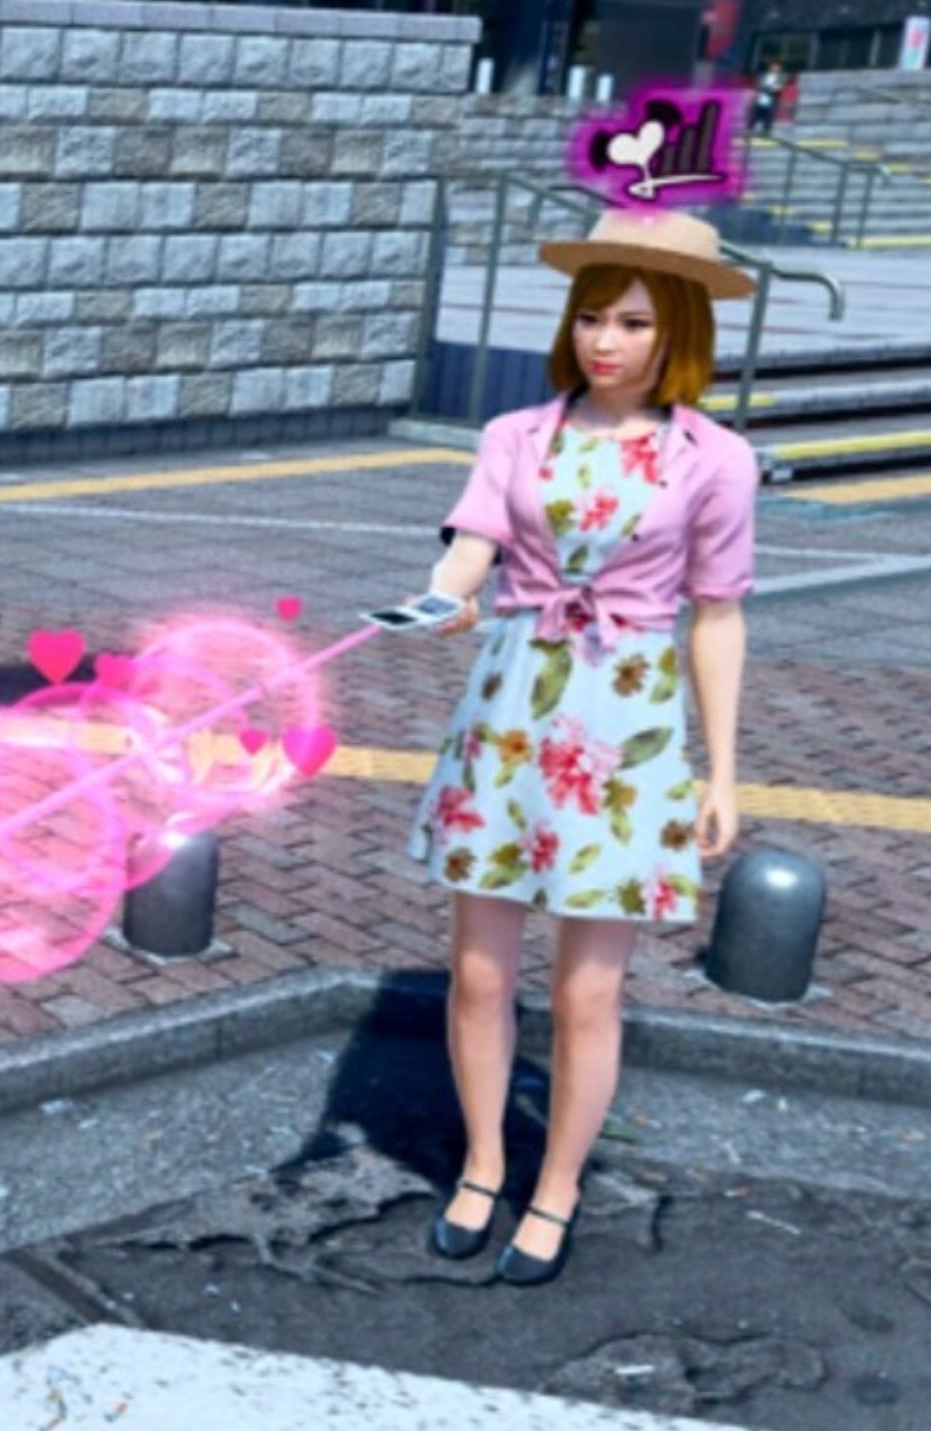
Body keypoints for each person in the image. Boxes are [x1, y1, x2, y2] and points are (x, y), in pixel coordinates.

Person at [407, 209, 755, 1287]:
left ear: (680, 329)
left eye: (635, 322)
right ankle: (482, 1163)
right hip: (511, 704)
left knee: (588, 992)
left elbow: (718, 612)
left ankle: (555, 1185)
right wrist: (443, 600)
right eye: (593, 317)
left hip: (627, 719)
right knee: (478, 972)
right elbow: (470, 549)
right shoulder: (515, 433)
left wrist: (720, 770)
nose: (606, 340)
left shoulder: (716, 457)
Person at [751, 58, 785, 134]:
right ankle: (751, 129)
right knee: (756, 114)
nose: (775, 68)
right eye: (773, 66)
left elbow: (777, 89)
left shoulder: (781, 77)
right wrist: (768, 88)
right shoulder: (764, 75)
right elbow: (759, 86)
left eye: (777, 66)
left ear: (780, 68)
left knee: (769, 116)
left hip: (772, 99)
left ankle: (766, 131)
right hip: (761, 98)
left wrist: (766, 88)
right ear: (770, 67)